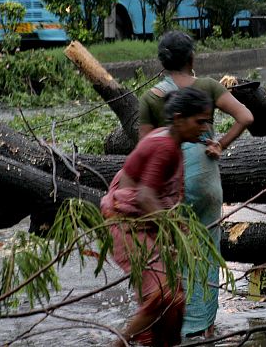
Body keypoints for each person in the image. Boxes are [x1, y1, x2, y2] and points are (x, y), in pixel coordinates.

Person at [138, 31, 253, 339]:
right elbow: (246, 116)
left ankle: (174, 323)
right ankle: (205, 327)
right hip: (206, 179)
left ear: (162, 63)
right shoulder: (208, 87)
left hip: (170, 182)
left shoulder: (151, 97)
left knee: (173, 249)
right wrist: (220, 143)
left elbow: (145, 148)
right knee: (206, 252)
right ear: (192, 59)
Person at [101, 87, 213, 347]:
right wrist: (177, 232)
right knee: (163, 296)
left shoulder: (172, 143)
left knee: (174, 306)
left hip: (146, 223)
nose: (204, 128)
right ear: (178, 118)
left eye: (207, 121)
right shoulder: (165, 146)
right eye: (199, 121)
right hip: (127, 224)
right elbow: (144, 197)